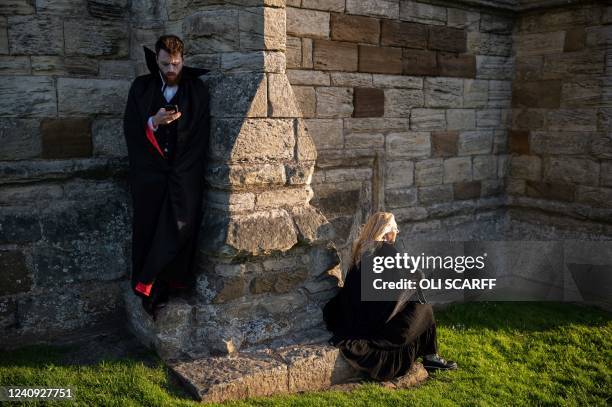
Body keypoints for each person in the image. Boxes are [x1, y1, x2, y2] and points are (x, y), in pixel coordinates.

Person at [123, 35, 210, 318]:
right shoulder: (141, 88)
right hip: (149, 175)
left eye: (175, 63)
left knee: (179, 227)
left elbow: (200, 137)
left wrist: (183, 171)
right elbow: (132, 129)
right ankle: (149, 288)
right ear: (156, 61)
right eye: (165, 64)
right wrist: (154, 122)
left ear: (183, 60)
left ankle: (171, 283)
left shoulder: (196, 90)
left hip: (183, 174)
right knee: (149, 227)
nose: (171, 69)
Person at [323, 212, 457, 381]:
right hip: (376, 323)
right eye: (395, 229)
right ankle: (431, 357)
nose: (397, 232)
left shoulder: (361, 250)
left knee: (416, 303)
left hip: (358, 318)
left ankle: (431, 356)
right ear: (387, 233)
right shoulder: (385, 251)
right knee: (424, 308)